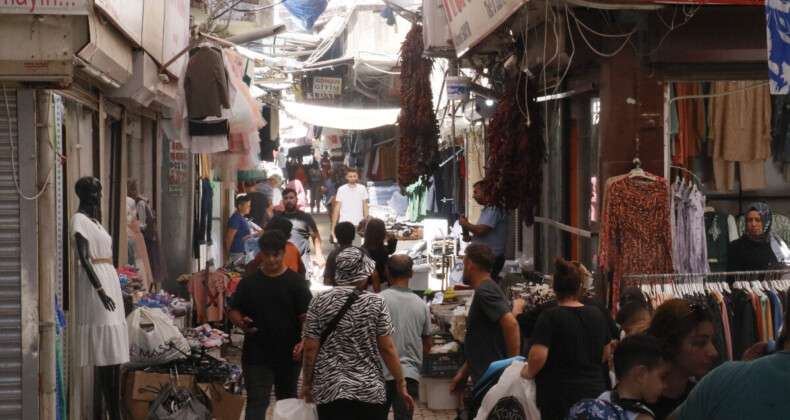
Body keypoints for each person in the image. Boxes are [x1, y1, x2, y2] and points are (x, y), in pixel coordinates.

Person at [300, 247, 416, 419]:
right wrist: (401, 382)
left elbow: (310, 348)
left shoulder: (319, 301)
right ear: (364, 273)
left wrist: (306, 384)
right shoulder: (376, 302)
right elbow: (387, 348)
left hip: (330, 389)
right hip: (368, 390)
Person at [228, 231, 313, 419]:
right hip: (256, 356)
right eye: (267, 255)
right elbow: (233, 310)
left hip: (289, 357)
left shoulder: (297, 283)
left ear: (284, 253)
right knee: (256, 404)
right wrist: (241, 323)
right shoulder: (249, 283)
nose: (272, 259)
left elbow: (307, 318)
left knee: (287, 405)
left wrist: (303, 340)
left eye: (276, 254)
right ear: (261, 254)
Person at [520, 257, 614, 419]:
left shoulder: (549, 316)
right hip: (594, 394)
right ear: (580, 286)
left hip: (559, 397)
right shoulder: (597, 314)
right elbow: (605, 354)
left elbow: (538, 356)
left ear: (554, 288)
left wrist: (528, 372)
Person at [670, 293, 790, 420]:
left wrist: (740, 373)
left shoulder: (717, 383)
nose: (713, 352)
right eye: (700, 342)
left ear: (785, 321)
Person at [450, 243, 520, 393]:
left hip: (491, 383)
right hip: (485, 379)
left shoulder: (485, 290)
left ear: (469, 264)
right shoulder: (487, 289)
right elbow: (482, 341)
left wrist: (514, 366)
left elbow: (511, 324)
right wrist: (464, 372)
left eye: (463, 263)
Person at [644, 299, 718, 420]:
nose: (713, 352)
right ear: (670, 343)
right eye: (700, 343)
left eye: (711, 341)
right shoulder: (631, 405)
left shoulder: (701, 397)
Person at [568, 334, 669, 420]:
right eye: (662, 377)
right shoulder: (642, 417)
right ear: (640, 374)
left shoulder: (602, 398)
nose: (665, 385)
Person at [380, 255, 431, 420]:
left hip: (379, 373)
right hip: (408, 374)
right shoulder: (421, 305)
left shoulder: (377, 300)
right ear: (411, 273)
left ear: (387, 272)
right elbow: (427, 344)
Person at [459, 181, 508, 281]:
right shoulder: (487, 210)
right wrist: (472, 238)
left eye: (476, 192)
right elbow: (486, 233)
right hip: (485, 258)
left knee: (484, 285)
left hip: (491, 259)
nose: (473, 196)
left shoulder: (494, 209)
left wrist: (465, 224)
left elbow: (482, 230)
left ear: (486, 193)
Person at [275, 188, 325, 279]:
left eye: (291, 198)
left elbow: (315, 236)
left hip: (302, 263)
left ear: (296, 199)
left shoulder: (305, 217)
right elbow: (265, 233)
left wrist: (319, 255)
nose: (288, 200)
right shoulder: (277, 217)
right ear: (283, 201)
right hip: (280, 263)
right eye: (285, 198)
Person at [727, 202, 790, 273]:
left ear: (766, 221)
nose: (753, 224)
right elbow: (732, 278)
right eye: (750, 220)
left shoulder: (779, 244)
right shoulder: (736, 246)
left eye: (758, 220)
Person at [331, 167, 369, 244]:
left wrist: (367, 222)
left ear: (357, 176)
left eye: (354, 176)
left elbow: (365, 206)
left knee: (356, 248)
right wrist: (333, 226)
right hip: (344, 223)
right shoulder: (341, 189)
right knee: (344, 248)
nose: (352, 178)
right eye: (350, 176)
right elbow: (336, 208)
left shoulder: (362, 188)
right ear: (346, 177)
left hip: (358, 223)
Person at [323, 222, 365, 286]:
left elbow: (327, 281)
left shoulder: (333, 255)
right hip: (358, 293)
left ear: (337, 237)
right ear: (353, 236)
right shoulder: (362, 253)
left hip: (339, 293)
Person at [363, 218, 398, 292]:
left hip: (365, 285)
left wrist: (392, 242)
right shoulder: (381, 251)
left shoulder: (363, 249)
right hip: (380, 285)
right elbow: (386, 271)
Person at [226, 195, 262, 265]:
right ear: (240, 207)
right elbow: (229, 236)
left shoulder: (241, 218)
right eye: (248, 206)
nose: (249, 208)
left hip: (244, 252)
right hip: (237, 253)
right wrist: (229, 253)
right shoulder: (235, 219)